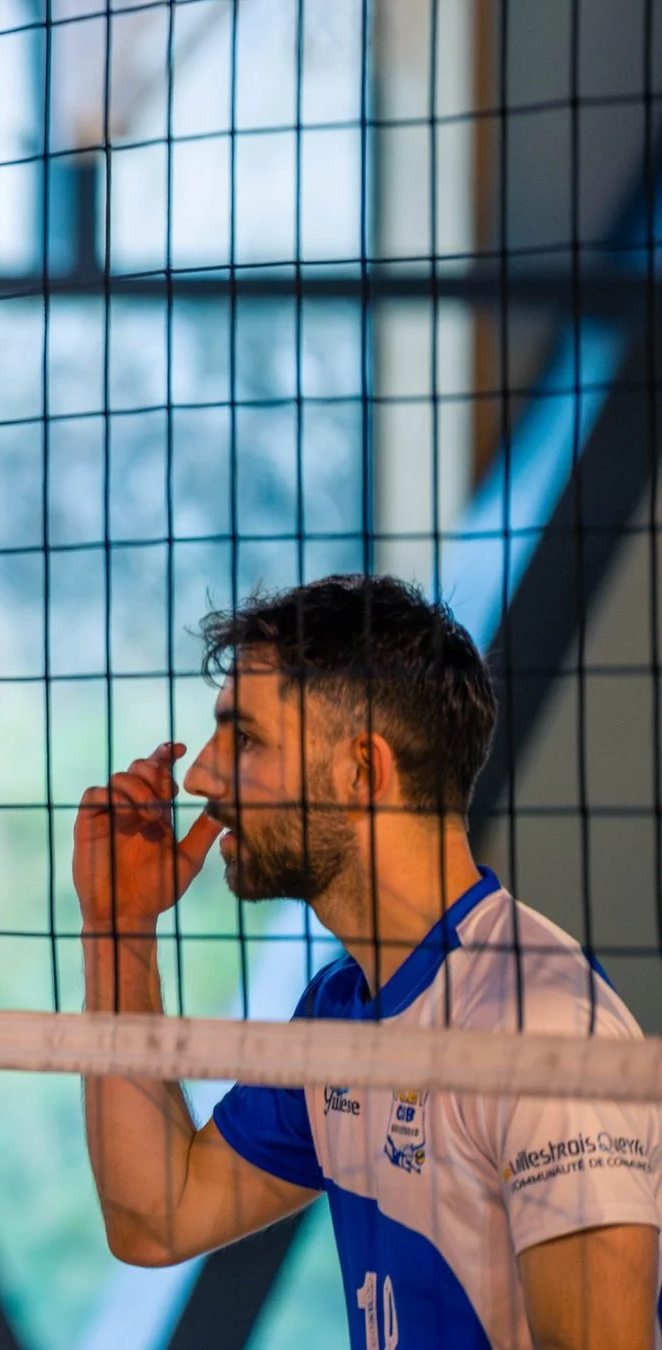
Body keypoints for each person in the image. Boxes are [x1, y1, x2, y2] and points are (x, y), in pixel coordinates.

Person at [77, 574, 661, 1350]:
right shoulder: (342, 1010)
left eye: (244, 740)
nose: (199, 777)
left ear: (362, 772)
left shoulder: (541, 1026)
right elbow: (158, 1216)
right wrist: (118, 925)